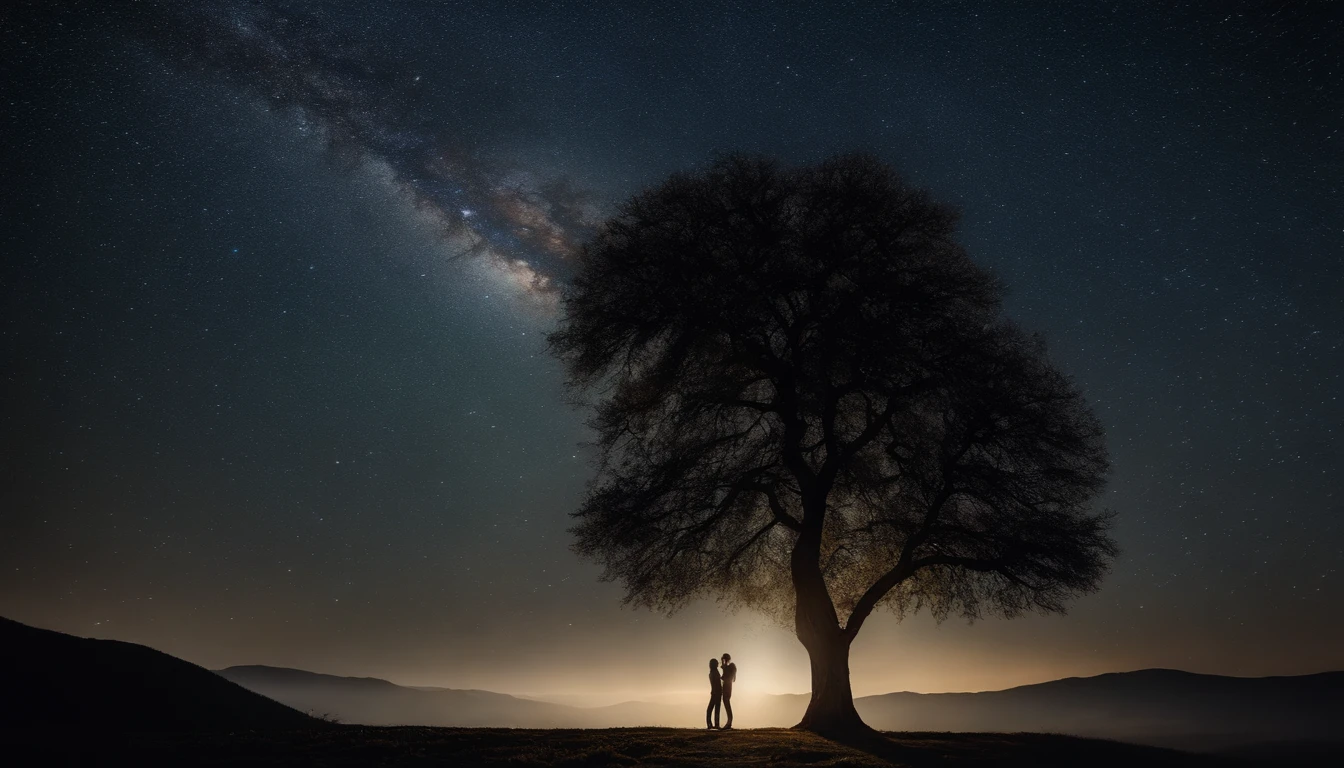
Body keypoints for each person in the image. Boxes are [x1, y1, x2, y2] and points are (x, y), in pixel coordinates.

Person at [719, 653, 736, 729]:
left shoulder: (730, 666)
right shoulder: (728, 667)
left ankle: (729, 722)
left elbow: (729, 678)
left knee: (727, 703)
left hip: (727, 686)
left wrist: (724, 667)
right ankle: (729, 722)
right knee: (726, 703)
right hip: (727, 686)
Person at [706, 658, 722, 729]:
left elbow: (716, 683)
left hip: (715, 692)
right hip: (716, 692)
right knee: (715, 709)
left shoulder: (713, 672)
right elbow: (717, 683)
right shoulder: (714, 672)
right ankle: (714, 724)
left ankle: (712, 724)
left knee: (711, 709)